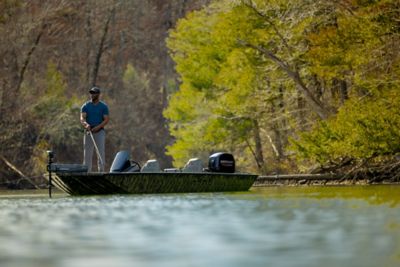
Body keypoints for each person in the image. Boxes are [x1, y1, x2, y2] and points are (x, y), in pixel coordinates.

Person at [80, 86, 109, 172]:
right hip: (89, 132)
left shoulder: (103, 107)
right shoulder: (85, 106)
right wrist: (86, 124)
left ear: (98, 94)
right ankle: (87, 173)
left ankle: (101, 172)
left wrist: (98, 127)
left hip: (99, 131)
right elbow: (82, 118)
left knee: (100, 153)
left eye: (94, 93)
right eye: (91, 93)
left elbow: (106, 119)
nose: (92, 95)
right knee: (87, 154)